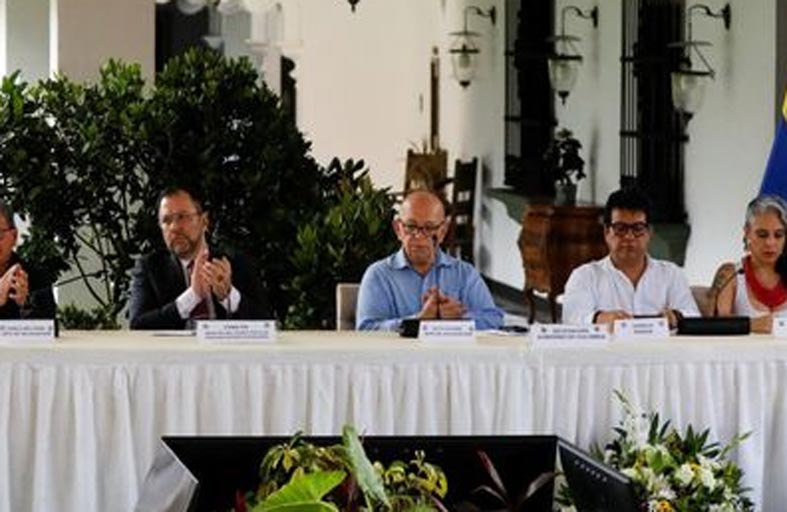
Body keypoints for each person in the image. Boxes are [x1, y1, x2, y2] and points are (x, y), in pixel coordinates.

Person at [356, 189, 503, 331]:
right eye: (411, 226)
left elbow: (494, 320)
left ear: (443, 231)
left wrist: (460, 319)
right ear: (398, 229)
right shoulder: (378, 275)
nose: (419, 236)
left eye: (430, 227)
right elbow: (366, 328)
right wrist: (418, 321)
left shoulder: (465, 274)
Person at [129, 187, 271, 329]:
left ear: (204, 221)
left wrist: (228, 295)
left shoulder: (235, 262)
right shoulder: (150, 268)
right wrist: (192, 296)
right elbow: (138, 326)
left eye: (182, 217)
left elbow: (266, 324)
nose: (174, 227)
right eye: (166, 220)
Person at [562, 188, 699, 327]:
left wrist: (676, 317)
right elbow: (572, 320)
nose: (629, 237)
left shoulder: (671, 274)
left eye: (638, 228)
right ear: (606, 232)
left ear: (649, 233)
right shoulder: (585, 277)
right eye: (620, 228)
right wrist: (599, 319)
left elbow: (693, 316)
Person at [711, 195, 787, 333]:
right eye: (762, 234)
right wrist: (752, 325)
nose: (770, 242)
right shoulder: (730, 274)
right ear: (747, 232)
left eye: (778, 235)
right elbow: (715, 325)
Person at [0, 200, 55, 319]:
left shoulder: (37, 277)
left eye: (0, 235)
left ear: (14, 236)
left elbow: (49, 325)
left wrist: (25, 304)